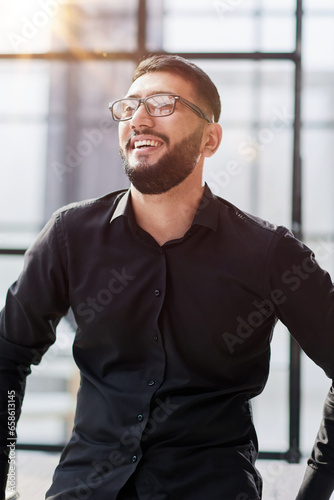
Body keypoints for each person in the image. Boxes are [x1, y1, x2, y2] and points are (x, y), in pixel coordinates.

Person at [0, 54, 334, 500]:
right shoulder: (69, 235)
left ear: (210, 139)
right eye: (130, 105)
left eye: (162, 104)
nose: (139, 117)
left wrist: (315, 488)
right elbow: (7, 358)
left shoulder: (270, 253)